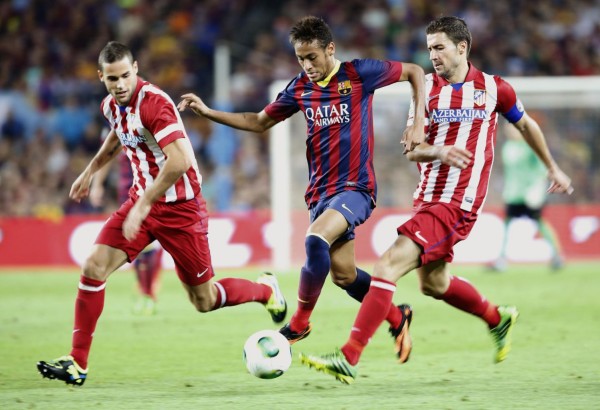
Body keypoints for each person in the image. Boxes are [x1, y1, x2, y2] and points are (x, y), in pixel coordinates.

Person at [299, 16, 573, 384]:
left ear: (463, 48)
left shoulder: (494, 89)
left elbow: (526, 125)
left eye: (439, 47)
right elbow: (413, 151)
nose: (433, 56)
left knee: (387, 266)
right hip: (427, 199)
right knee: (435, 284)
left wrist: (552, 168)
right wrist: (439, 152)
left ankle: (350, 356)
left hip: (457, 203)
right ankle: (497, 317)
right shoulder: (425, 88)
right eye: (429, 49)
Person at [36, 41, 287, 386]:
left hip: (181, 210)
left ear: (136, 69)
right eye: (113, 79)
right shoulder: (111, 105)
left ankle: (265, 291)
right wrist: (90, 170)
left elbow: (180, 160)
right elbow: (118, 135)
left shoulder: (155, 104)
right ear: (102, 78)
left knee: (204, 299)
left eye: (126, 75)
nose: (121, 84)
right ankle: (77, 363)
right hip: (143, 202)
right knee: (93, 266)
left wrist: (143, 204)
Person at [177, 15, 426, 361]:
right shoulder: (299, 88)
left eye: (312, 57)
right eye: (300, 58)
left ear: (330, 49)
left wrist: (416, 123)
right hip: (320, 193)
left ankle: (299, 322)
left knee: (314, 239)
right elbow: (259, 121)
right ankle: (398, 317)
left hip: (356, 188)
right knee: (344, 276)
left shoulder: (358, 74)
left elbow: (415, 71)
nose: (307, 65)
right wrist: (208, 112)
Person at [89, 148, 164, 315]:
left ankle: (148, 295)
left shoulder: (146, 125)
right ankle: (147, 293)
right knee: (134, 240)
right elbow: (106, 154)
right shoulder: (115, 128)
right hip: (127, 192)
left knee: (148, 243)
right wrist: (97, 184)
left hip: (150, 190)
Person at [489, 124, 564, 272]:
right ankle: (502, 259)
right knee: (507, 223)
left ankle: (557, 256)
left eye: (512, 129)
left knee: (539, 222)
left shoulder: (531, 147)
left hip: (531, 193)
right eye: (507, 130)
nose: (510, 132)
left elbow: (542, 170)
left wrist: (536, 190)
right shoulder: (508, 147)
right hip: (513, 194)